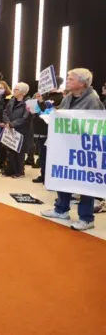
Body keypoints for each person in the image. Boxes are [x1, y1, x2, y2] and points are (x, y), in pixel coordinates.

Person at [41, 68, 105, 231]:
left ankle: (86, 217)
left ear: (82, 83)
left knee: (84, 183)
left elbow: (97, 127)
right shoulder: (68, 97)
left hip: (82, 149)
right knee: (63, 176)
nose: (67, 81)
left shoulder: (93, 100)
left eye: (70, 79)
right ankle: (61, 209)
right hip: (65, 146)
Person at [32, 77, 65, 183]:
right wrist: (33, 107)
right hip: (39, 127)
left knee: (48, 155)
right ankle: (43, 174)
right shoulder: (45, 95)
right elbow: (38, 110)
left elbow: (50, 111)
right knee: (41, 154)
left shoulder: (61, 97)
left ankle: (49, 177)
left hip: (50, 129)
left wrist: (42, 103)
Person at [0, 82, 31, 178]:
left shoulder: (28, 102)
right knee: (10, 149)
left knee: (20, 152)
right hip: (10, 128)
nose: (14, 90)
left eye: (16, 89)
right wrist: (7, 123)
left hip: (22, 130)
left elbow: (26, 118)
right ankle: (11, 169)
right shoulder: (12, 100)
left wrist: (12, 124)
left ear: (23, 92)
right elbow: (5, 112)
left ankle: (20, 171)